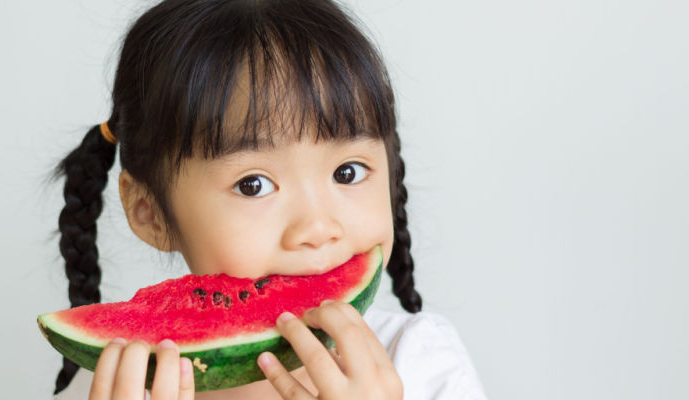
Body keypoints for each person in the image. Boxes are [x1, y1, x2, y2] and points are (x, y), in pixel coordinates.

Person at [49, 0, 488, 399]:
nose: (317, 228)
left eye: (347, 172)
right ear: (151, 214)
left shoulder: (421, 361)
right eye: (253, 184)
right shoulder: (114, 385)